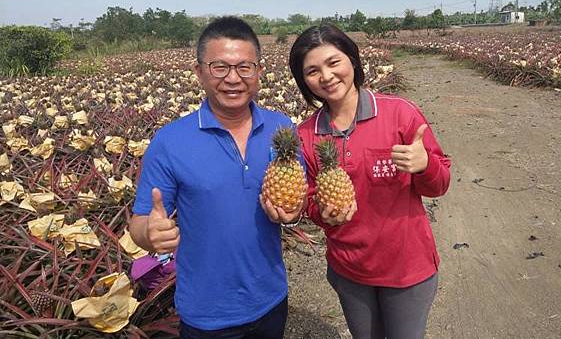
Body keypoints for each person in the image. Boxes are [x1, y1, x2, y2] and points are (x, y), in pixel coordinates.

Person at [129, 17, 304, 339]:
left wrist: (293, 214)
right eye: (219, 67)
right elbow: (140, 221)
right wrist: (149, 234)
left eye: (244, 67)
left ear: (259, 72)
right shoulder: (169, 141)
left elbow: (297, 201)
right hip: (205, 312)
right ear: (199, 73)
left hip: (271, 298)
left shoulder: (282, 129)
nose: (233, 78)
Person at [289, 24, 451, 339]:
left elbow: (440, 185)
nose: (326, 76)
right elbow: (309, 201)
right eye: (312, 70)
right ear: (303, 80)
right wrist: (324, 215)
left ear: (352, 59)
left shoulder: (400, 114)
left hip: (407, 266)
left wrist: (425, 165)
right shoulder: (306, 134)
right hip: (350, 269)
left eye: (333, 62)